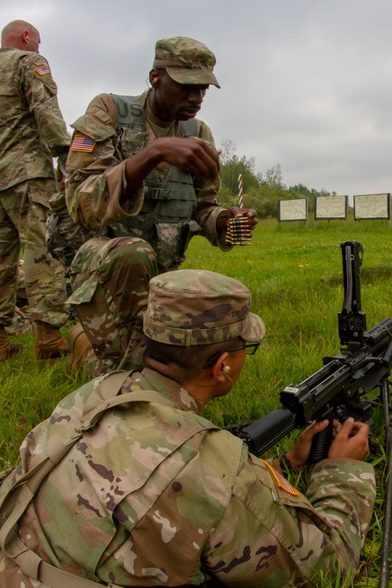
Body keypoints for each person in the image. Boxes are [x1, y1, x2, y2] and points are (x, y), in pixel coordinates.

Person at [0, 270, 375, 588]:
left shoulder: (96, 393)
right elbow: (323, 564)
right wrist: (339, 472)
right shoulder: (213, 469)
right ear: (223, 366)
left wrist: (278, 470)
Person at [59, 36, 258, 375]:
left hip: (161, 276)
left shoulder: (198, 132)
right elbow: (82, 203)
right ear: (155, 77)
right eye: (186, 86)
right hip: (101, 264)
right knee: (143, 368)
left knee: (213, 333)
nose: (196, 98)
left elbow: (202, 207)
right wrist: (153, 154)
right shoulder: (108, 112)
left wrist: (225, 220)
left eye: (203, 90)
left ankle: (91, 342)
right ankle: (97, 352)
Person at [0, 19, 71, 366]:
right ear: (25, 37)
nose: (39, 46)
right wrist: (66, 151)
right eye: (37, 40)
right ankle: (49, 337)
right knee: (41, 251)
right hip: (26, 175)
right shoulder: (28, 63)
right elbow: (45, 109)